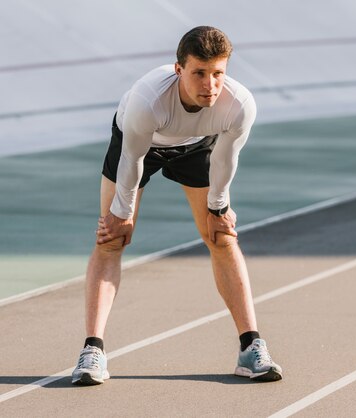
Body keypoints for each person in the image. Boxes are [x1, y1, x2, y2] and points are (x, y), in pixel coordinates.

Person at [71, 26, 282, 385]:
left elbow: (225, 159)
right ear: (178, 70)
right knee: (110, 239)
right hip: (137, 145)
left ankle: (251, 347)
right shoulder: (147, 100)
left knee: (222, 238)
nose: (210, 85)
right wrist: (122, 215)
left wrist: (218, 208)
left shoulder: (239, 104)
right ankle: (92, 352)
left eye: (218, 74)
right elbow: (133, 159)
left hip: (198, 146)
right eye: (199, 73)